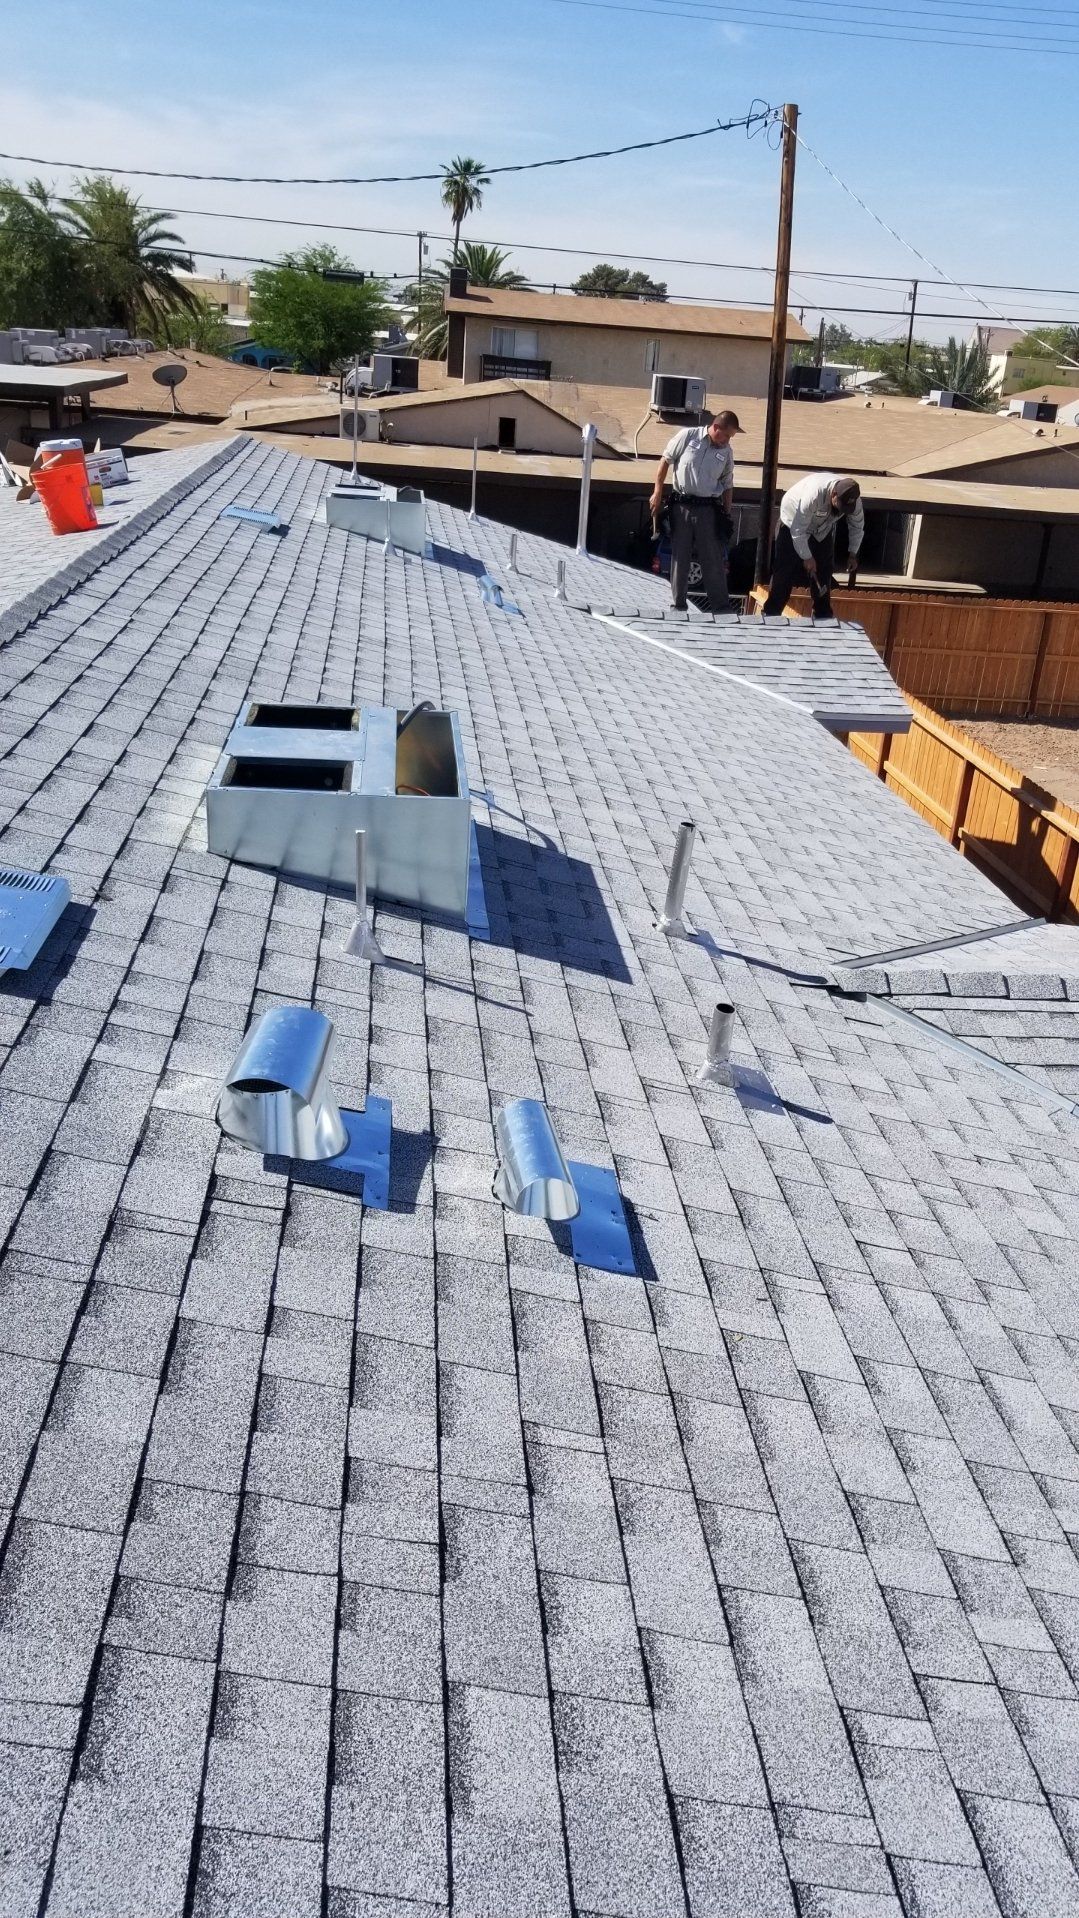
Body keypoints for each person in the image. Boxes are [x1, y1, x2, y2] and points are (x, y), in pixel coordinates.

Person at [650, 410, 742, 613]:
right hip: (681, 505)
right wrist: (657, 492)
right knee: (680, 556)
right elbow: (665, 460)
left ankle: (721, 608)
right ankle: (678, 605)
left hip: (708, 508)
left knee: (713, 557)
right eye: (727, 435)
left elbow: (727, 484)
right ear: (716, 427)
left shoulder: (726, 452)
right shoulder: (688, 436)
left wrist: (726, 515)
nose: (728, 440)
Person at [762, 472, 864, 619]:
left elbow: (857, 526)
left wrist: (853, 553)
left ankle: (823, 614)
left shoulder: (854, 500)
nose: (842, 510)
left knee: (824, 571)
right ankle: (771, 613)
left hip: (821, 529)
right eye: (840, 505)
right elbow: (798, 531)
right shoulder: (813, 495)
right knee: (784, 571)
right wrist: (807, 557)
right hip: (792, 523)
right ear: (833, 494)